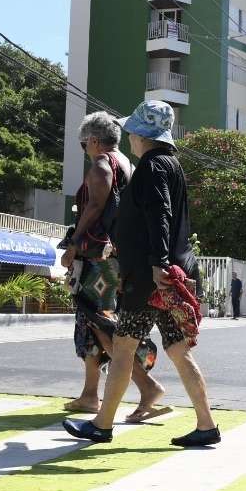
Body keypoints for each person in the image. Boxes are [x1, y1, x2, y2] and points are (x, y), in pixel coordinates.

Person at [65, 100, 219, 447]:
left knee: (122, 346)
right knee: (178, 350)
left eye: (132, 132)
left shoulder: (152, 166)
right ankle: (206, 424)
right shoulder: (171, 165)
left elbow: (159, 214)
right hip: (167, 272)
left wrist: (157, 262)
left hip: (151, 277)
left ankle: (102, 424)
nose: (129, 138)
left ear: (142, 135)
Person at [60, 112, 168, 421]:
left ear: (94, 140)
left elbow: (96, 205)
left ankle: (147, 387)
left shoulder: (102, 163)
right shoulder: (127, 164)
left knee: (100, 322)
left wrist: (74, 243)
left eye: (84, 144)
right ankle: (90, 394)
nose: (85, 150)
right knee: (94, 323)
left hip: (98, 257)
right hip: (118, 255)